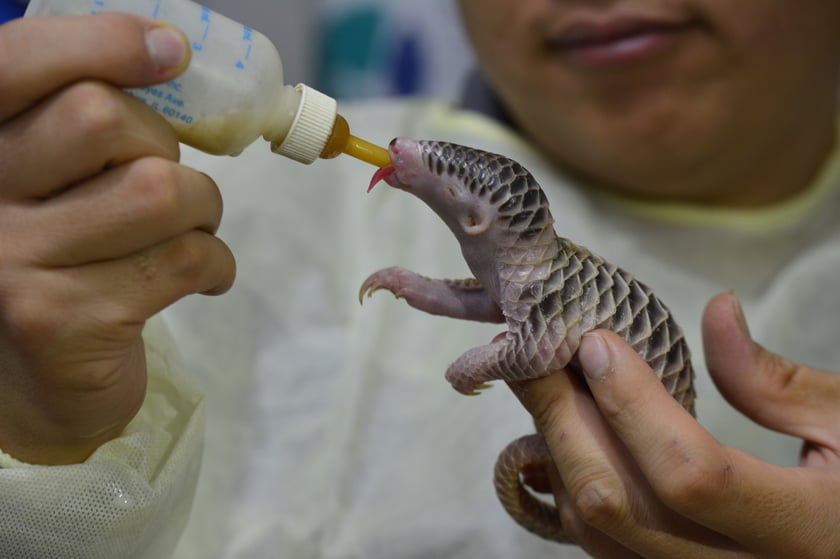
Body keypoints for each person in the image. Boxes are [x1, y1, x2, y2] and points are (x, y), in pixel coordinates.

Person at [0, 2, 838, 558]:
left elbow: (516, 331)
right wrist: (37, 438)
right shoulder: (150, 209)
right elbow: (493, 305)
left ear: (480, 221)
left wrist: (480, 360)